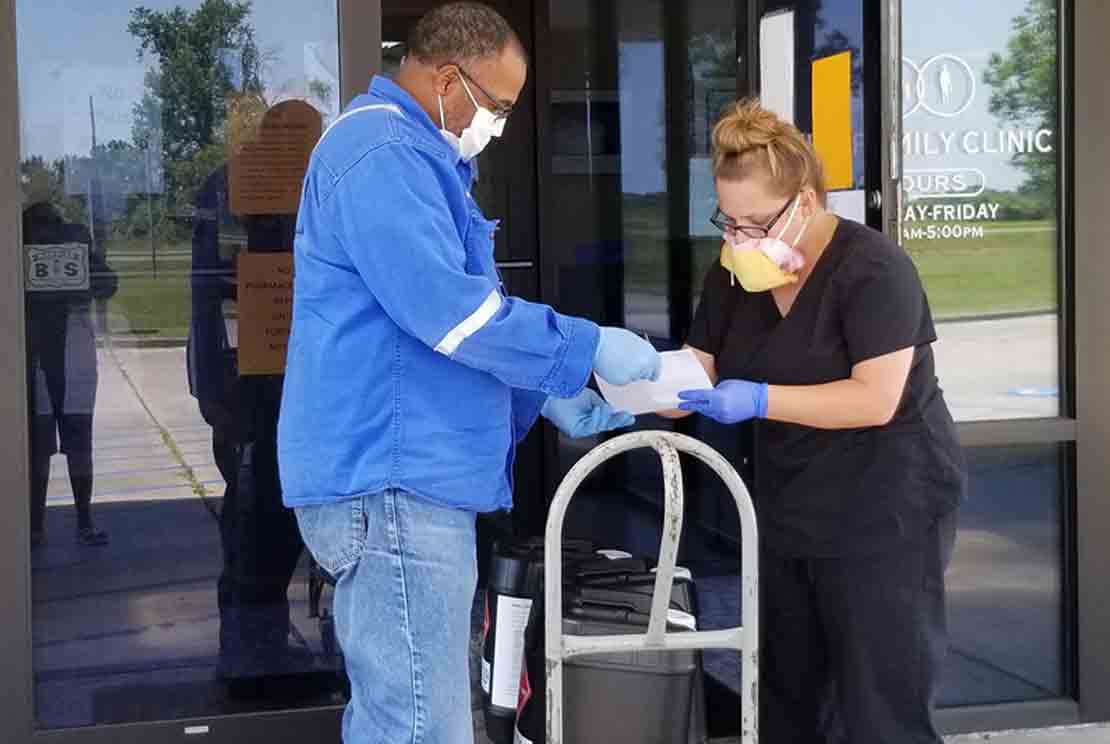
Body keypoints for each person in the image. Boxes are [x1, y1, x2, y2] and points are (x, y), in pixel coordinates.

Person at [276, 3, 659, 743]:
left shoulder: (420, 158)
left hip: (410, 479)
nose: (501, 125)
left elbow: (471, 315)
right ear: (449, 78)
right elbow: (450, 313)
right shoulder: (381, 154)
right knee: (422, 726)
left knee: (409, 715)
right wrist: (588, 346)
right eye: (499, 106)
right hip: (391, 480)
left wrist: (546, 394)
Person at [670, 100, 966, 744]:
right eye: (727, 219)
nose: (737, 237)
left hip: (885, 508)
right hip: (788, 508)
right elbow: (699, 370)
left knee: (880, 705)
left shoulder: (873, 269)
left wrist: (760, 400)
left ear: (804, 201)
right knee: (788, 698)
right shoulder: (734, 275)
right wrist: (628, 387)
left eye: (754, 221)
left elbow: (873, 399)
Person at [25, 200, 117, 548]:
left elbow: (107, 283)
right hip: (50, 352)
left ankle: (51, 524)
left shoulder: (71, 248)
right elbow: (109, 284)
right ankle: (71, 522)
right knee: (50, 441)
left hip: (65, 350)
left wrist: (85, 263)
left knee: (51, 441)